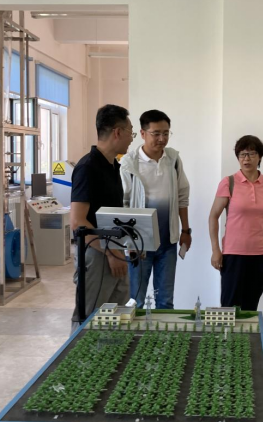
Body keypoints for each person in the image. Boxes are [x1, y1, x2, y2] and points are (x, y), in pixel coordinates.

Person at [69, 104, 136, 332]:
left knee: (115, 318)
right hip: (97, 254)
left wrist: (126, 246)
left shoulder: (113, 166)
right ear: (117, 132)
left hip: (114, 251)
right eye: (130, 132)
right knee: (90, 320)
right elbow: (78, 222)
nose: (131, 138)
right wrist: (110, 252)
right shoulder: (88, 167)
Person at [120, 110, 191, 309]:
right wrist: (128, 241)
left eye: (166, 133)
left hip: (168, 243)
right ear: (143, 133)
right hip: (139, 244)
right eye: (156, 133)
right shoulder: (129, 163)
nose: (162, 139)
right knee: (136, 301)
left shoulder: (173, 159)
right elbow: (124, 203)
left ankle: (163, 331)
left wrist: (186, 230)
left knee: (165, 301)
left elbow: (182, 196)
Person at [208, 135, 263, 310]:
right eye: (242, 154)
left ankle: (247, 330)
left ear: (260, 157)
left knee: (250, 306)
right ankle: (227, 331)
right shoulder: (229, 182)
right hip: (234, 253)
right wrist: (216, 250)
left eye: (252, 154)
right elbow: (213, 216)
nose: (246, 159)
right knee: (229, 306)